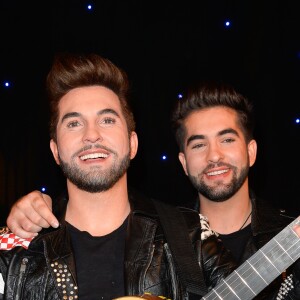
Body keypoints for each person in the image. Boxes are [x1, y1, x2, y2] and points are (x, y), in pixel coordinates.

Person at [0, 53, 236, 300]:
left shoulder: (189, 234)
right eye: (74, 124)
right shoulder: (18, 248)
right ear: (55, 151)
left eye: (107, 120)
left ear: (132, 144)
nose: (91, 135)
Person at [170, 81, 300, 299]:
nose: (214, 155)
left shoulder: (291, 237)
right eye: (199, 145)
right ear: (184, 163)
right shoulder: (160, 244)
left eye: (227, 140)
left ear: (251, 152)